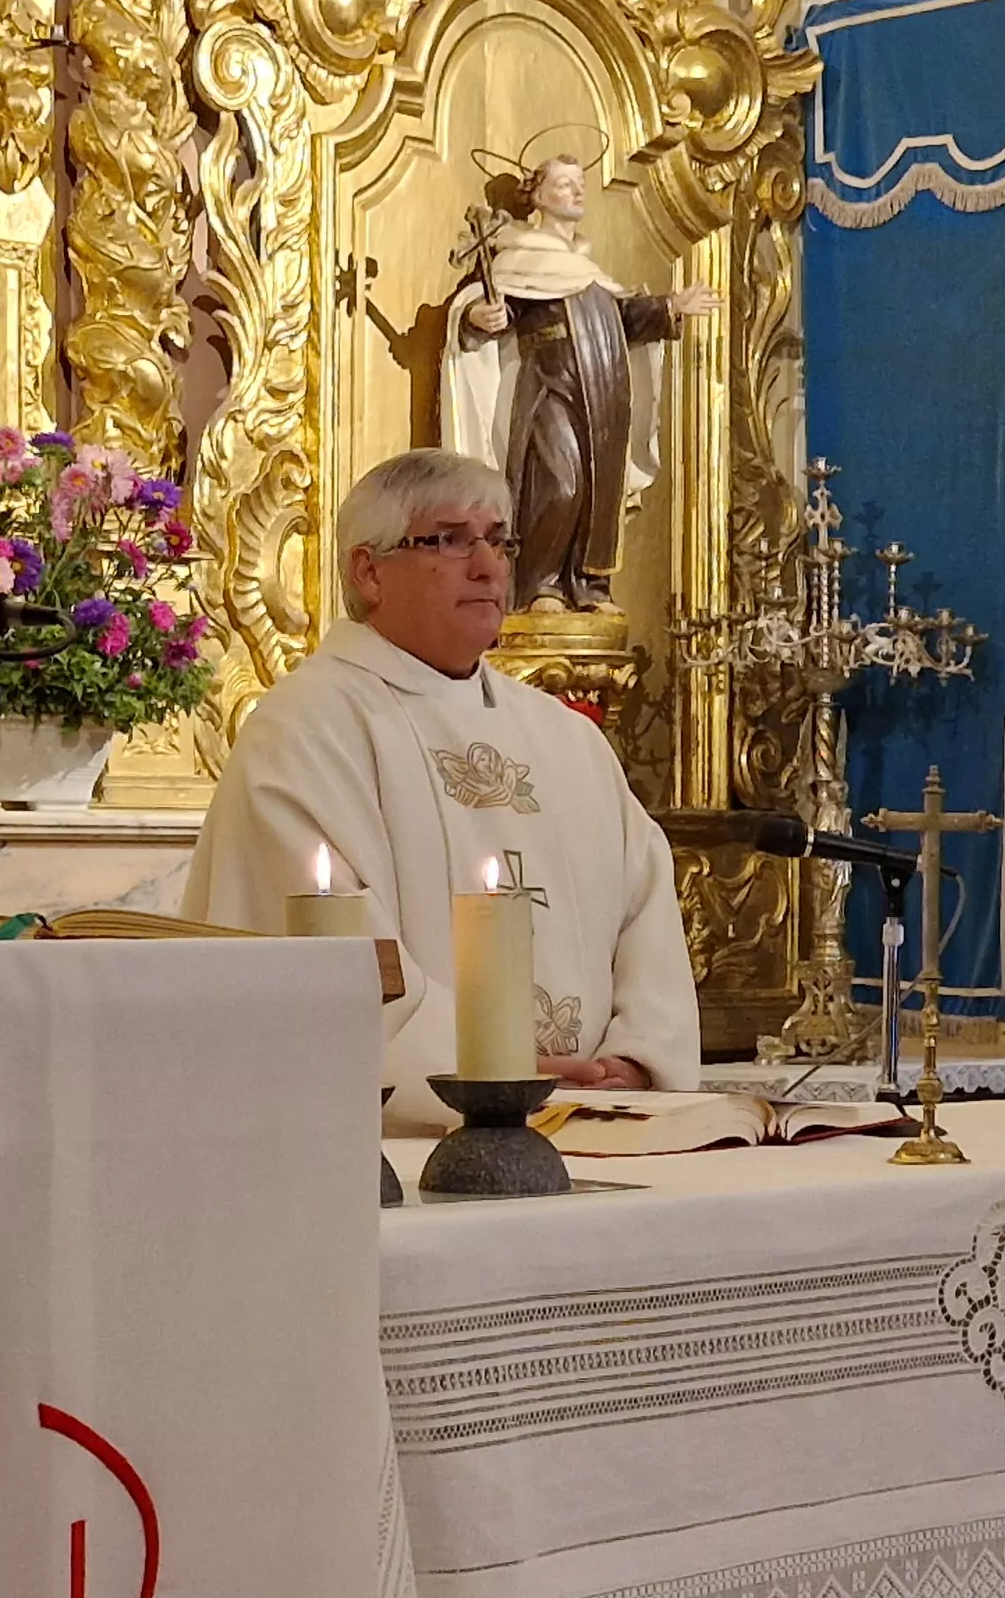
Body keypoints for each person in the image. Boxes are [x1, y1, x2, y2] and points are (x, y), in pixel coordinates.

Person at [188, 449, 700, 1133]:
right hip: (409, 1140)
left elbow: (646, 906)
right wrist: (493, 1076)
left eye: (498, 539)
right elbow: (327, 955)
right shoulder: (306, 730)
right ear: (367, 570)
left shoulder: (565, 737)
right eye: (450, 540)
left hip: (599, 1123)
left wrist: (636, 1058)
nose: (489, 566)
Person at [442, 153, 719, 610]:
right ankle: (540, 584)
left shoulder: (588, 270)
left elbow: (624, 316)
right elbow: (490, 304)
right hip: (551, 382)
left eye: (581, 182)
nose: (577, 190)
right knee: (559, 482)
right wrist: (478, 315)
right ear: (537, 196)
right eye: (565, 182)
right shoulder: (520, 256)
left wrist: (670, 306)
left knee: (598, 491)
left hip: (604, 384)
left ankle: (589, 586)